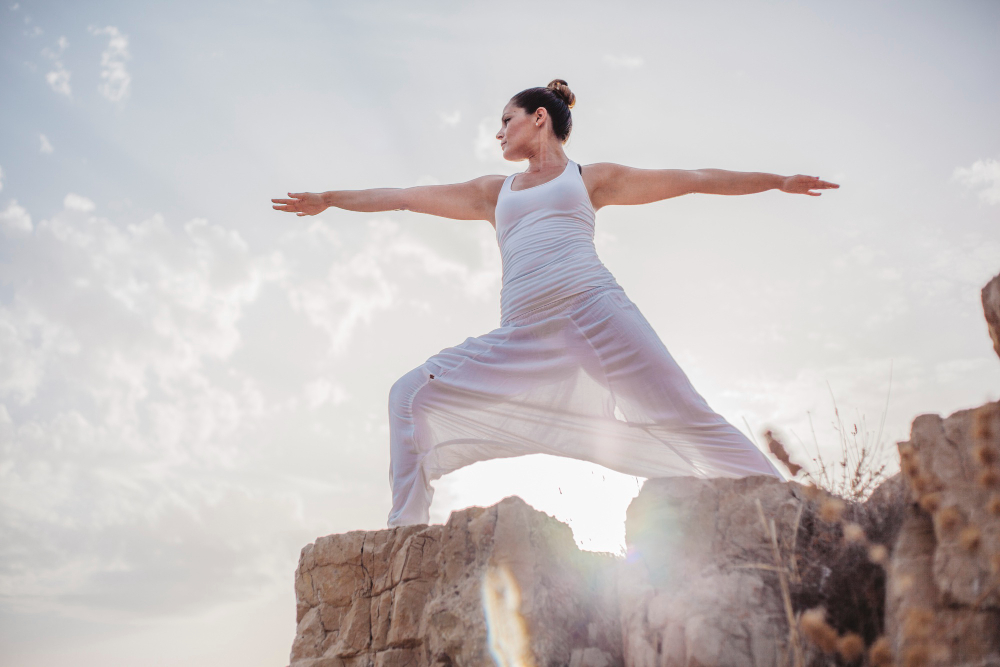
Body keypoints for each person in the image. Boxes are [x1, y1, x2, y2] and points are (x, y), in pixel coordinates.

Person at [272, 79, 840, 527]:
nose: (499, 132)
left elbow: (692, 177)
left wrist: (778, 180)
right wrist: (330, 198)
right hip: (524, 333)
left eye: (507, 120)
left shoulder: (590, 178)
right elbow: (403, 197)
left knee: (688, 416)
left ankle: (793, 509)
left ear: (539, 118)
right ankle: (406, 528)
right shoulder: (492, 192)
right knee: (409, 394)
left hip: (598, 313)